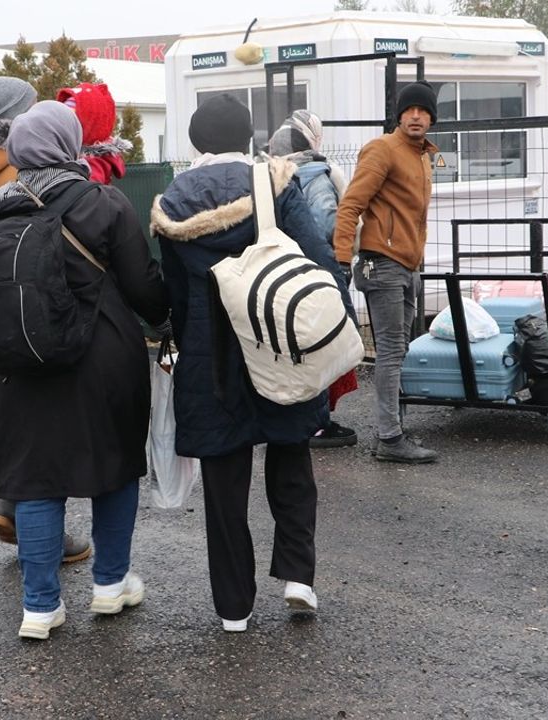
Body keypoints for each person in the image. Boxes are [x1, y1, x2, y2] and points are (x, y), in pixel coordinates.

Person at [0, 101, 170, 639]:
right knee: (115, 469)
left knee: (34, 484)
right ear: (70, 145)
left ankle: (39, 606)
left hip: (16, 366)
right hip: (103, 363)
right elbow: (145, 288)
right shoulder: (102, 202)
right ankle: (108, 586)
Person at [151, 94, 350, 632]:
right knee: (290, 455)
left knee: (224, 479)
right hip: (277, 338)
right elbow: (317, 257)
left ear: (196, 142)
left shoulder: (171, 203)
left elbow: (171, 295)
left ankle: (233, 607)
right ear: (248, 139)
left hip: (207, 353)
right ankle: (297, 577)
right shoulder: (274, 183)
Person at [0, 78, 93, 564]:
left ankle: (8, 502)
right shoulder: (18, 169)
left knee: (5, 412)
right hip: (32, 307)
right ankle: (37, 529)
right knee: (45, 423)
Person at [331, 82, 442, 465]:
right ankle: (389, 437)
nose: (415, 116)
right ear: (399, 115)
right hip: (382, 264)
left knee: (399, 349)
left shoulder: (424, 156)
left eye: (423, 111)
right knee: (392, 352)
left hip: (407, 265)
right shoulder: (383, 149)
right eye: (409, 109)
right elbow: (350, 206)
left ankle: (391, 426)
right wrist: (342, 258)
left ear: (431, 118)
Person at [268, 109, 359, 449]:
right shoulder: (316, 174)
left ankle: (299, 417)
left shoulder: (269, 175)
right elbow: (326, 225)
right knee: (319, 347)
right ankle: (317, 423)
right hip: (318, 275)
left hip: (282, 277)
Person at [56, 82, 131, 185]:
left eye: (69, 120)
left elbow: (85, 194)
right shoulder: (71, 154)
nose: (60, 126)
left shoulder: (92, 165)